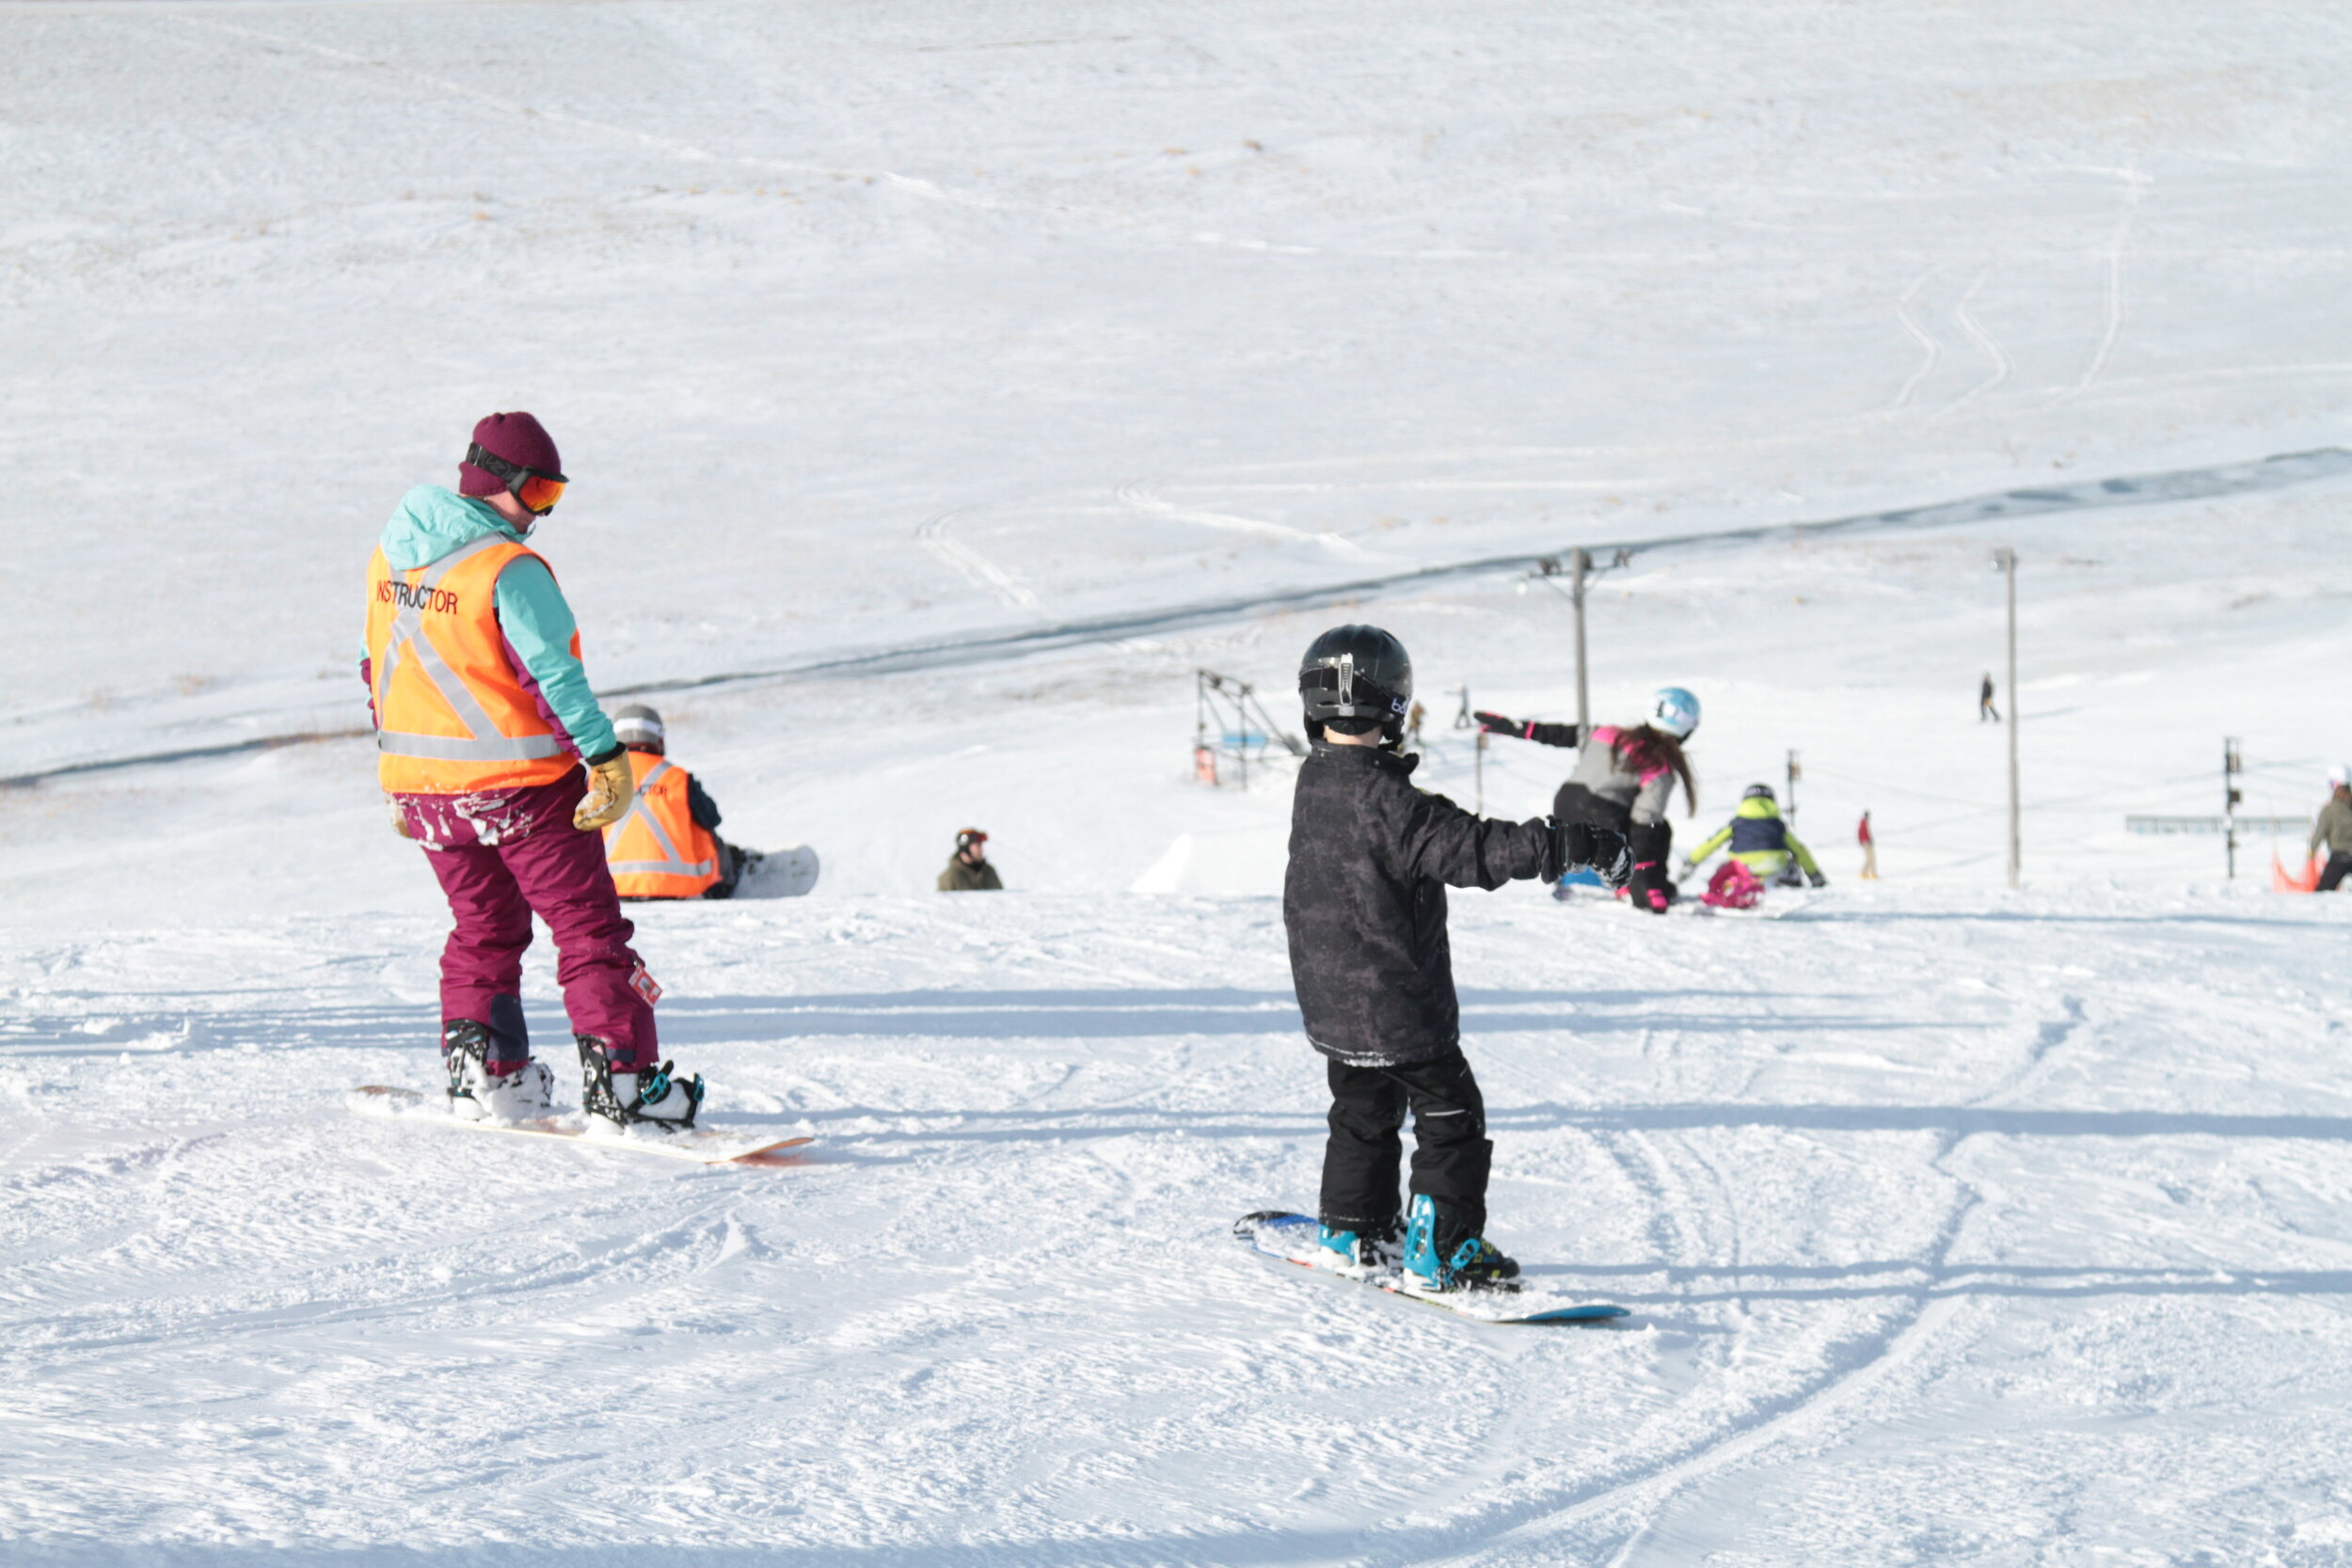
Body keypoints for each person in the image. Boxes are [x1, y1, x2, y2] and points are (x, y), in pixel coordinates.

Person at [362, 412, 702, 1130]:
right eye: (538, 492)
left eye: (555, 495)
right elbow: (554, 678)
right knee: (588, 932)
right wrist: (605, 758)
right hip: (521, 789)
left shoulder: (390, 559)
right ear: (494, 481)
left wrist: (398, 767)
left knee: (482, 928)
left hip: (426, 794)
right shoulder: (506, 570)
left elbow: (380, 668)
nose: (542, 514)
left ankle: (486, 1076)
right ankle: (623, 1082)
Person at [1288, 626, 1629, 1294]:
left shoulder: (1314, 783)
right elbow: (1479, 849)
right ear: (1395, 705)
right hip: (1400, 1007)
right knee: (1450, 1118)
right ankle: (1441, 1250)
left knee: (1362, 1108)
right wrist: (1575, 842)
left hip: (1331, 1002)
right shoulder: (1391, 803)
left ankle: (1351, 1227)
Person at [1473, 688, 1700, 914]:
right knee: (1658, 829)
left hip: (1565, 803)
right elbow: (1645, 820)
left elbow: (1560, 734)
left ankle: (1575, 877)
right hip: (1602, 816)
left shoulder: (1609, 733)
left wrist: (1515, 728)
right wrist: (1646, 877)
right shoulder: (1659, 764)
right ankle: (1634, 886)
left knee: (1623, 824)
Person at [600, 703, 748, 899]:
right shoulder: (677, 778)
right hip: (679, 885)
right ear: (658, 738)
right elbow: (712, 819)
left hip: (609, 887)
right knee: (705, 828)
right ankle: (725, 884)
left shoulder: (595, 780)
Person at [1680, 784, 1826, 889]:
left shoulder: (1737, 824)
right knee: (1790, 862)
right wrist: (1815, 875)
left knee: (1725, 868)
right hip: (1775, 866)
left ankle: (1728, 889)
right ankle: (1788, 885)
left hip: (1743, 867)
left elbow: (1711, 844)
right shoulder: (1777, 825)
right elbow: (1799, 850)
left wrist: (1691, 863)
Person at [2311, 772, 2352, 892]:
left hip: (2339, 857)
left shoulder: (2329, 810)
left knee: (2323, 892)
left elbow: (2320, 832)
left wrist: (2312, 850)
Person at [938, 828, 1003, 891]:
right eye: (978, 846)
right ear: (966, 848)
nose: (981, 849)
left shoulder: (989, 872)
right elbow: (942, 901)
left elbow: (1000, 898)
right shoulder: (951, 876)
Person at [1858, 810, 1879, 880]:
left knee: (1871, 859)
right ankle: (1868, 874)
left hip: (1866, 842)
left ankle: (1867, 873)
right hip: (1866, 843)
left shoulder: (1863, 822)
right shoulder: (1864, 822)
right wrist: (1867, 840)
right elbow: (1864, 833)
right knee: (1870, 858)